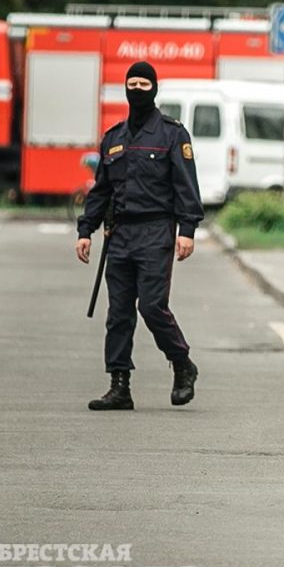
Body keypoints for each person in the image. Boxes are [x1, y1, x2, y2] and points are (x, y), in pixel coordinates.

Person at [76, 61, 204, 411]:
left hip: (156, 231)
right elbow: (101, 190)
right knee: (118, 312)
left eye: (143, 84)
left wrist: (187, 230)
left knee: (151, 306)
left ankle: (182, 363)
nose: (137, 89)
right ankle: (119, 386)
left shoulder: (172, 134)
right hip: (119, 234)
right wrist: (85, 229)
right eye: (131, 83)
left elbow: (186, 186)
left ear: (154, 88)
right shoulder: (114, 138)